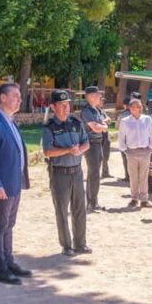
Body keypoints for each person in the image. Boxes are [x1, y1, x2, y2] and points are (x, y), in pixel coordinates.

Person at [0, 82, 32, 285]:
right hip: (2, 185)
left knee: (9, 224)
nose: (20, 100)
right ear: (2, 98)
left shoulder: (9, 121)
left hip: (14, 182)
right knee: (0, 225)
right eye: (15, 96)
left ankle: (8, 261)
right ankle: (0, 269)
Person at [44, 90, 91, 256]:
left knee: (80, 208)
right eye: (62, 105)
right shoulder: (50, 126)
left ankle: (81, 243)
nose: (66, 108)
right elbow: (48, 151)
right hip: (59, 173)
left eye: (68, 104)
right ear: (53, 106)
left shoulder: (76, 122)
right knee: (62, 210)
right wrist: (67, 151)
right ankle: (66, 245)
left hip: (77, 172)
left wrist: (80, 151)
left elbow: (86, 143)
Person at [118, 96, 152, 209]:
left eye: (140, 106)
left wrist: (151, 148)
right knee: (133, 176)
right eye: (136, 107)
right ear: (130, 108)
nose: (139, 109)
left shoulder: (147, 119)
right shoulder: (125, 121)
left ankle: (144, 199)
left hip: (145, 151)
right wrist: (125, 150)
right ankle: (134, 198)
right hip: (131, 152)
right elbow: (121, 137)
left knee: (144, 176)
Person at [80, 85, 110, 212]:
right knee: (94, 174)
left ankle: (94, 201)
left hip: (98, 143)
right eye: (98, 95)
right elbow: (96, 128)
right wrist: (103, 126)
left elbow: (105, 122)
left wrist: (102, 125)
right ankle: (91, 203)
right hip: (90, 144)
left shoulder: (96, 110)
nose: (100, 97)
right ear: (91, 96)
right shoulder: (86, 111)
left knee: (95, 173)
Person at [117, 92, 141, 181]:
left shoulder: (123, 115)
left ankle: (128, 176)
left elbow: (117, 126)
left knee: (126, 159)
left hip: (126, 140)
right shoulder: (141, 113)